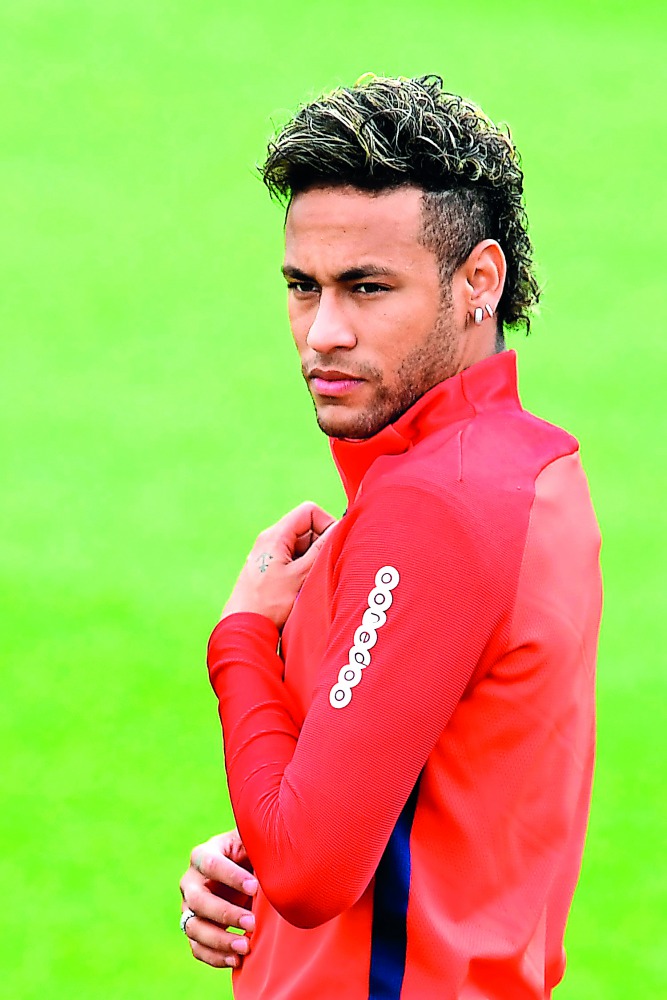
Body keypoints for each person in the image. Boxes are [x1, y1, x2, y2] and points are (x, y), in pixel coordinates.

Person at [179, 75, 602, 999]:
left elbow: (308, 872)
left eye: (367, 288)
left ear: (476, 281)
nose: (321, 334)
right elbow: (428, 794)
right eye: (303, 287)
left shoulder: (437, 506)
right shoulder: (527, 469)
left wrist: (242, 634)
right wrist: (253, 839)